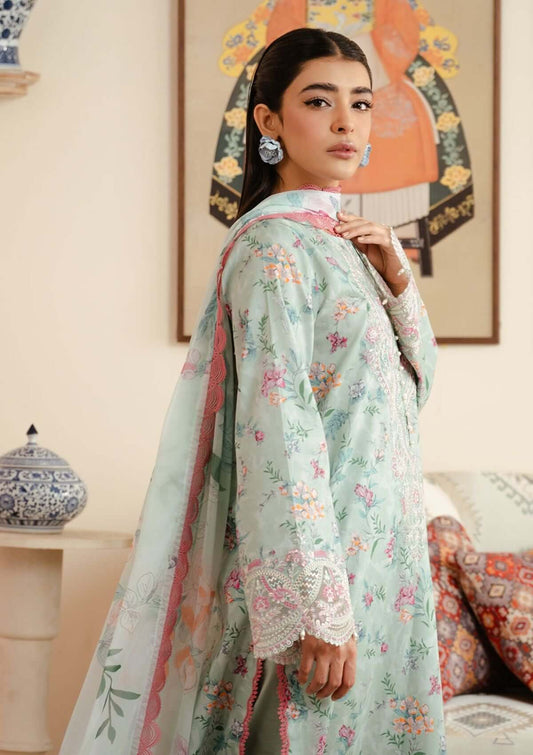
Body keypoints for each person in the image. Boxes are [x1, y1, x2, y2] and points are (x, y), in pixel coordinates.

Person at [60, 28, 445, 755]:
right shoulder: (272, 250)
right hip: (323, 576)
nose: (346, 122)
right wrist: (315, 609)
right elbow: (278, 433)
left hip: (384, 566)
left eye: (361, 103)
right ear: (268, 119)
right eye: (319, 101)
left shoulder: (350, 246)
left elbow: (407, 397)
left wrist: (398, 281)